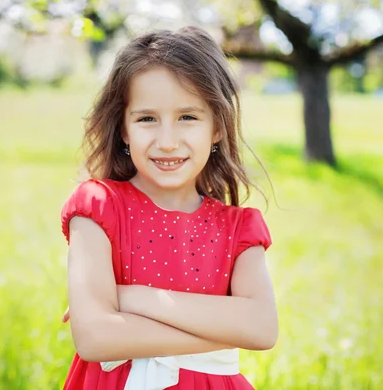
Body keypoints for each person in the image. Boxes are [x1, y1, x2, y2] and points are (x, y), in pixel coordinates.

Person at [59, 26, 278, 390]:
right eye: (147, 119)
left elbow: (262, 328)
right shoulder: (97, 207)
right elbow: (95, 338)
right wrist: (226, 332)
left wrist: (132, 298)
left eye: (188, 117)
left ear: (217, 128)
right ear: (124, 129)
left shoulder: (238, 228)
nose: (167, 141)